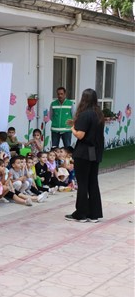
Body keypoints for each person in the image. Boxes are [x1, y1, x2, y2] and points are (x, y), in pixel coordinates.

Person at [65, 89, 104, 223]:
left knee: (82, 184)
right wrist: (75, 124)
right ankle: (94, 214)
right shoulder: (98, 114)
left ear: (84, 99)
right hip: (94, 151)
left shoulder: (85, 114)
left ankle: (80, 214)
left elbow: (80, 135)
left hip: (83, 152)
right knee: (93, 182)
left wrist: (72, 129)